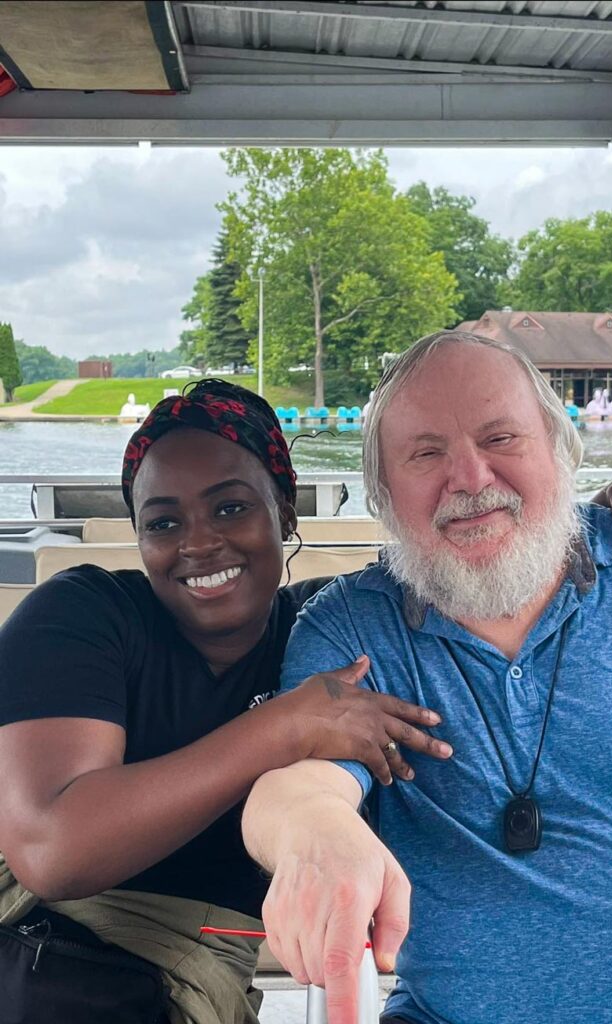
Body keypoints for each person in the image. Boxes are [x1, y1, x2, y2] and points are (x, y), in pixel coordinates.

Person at [240, 332, 612, 1024]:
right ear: (384, 494)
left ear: (559, 451)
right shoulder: (353, 629)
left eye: (501, 439)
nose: (471, 478)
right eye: (427, 454)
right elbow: (301, 782)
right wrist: (312, 831)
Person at [0, 380, 452, 1024]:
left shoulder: (328, 631)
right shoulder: (85, 616)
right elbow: (52, 851)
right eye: (163, 522)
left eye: (231, 509)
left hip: (196, 989)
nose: (199, 542)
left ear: (286, 510)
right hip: (46, 961)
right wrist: (284, 727)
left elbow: (483, 580)